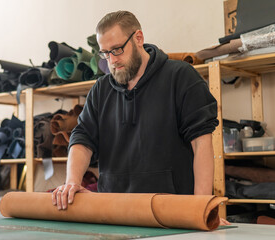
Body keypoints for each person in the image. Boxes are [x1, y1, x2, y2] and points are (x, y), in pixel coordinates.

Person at [52, 10, 223, 221]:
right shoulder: (100, 90)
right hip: (112, 211)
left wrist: (201, 207)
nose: (112, 60)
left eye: (117, 49)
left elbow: (202, 144)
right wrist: (72, 182)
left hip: (170, 213)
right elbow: (82, 139)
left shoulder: (181, 77)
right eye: (105, 53)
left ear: (139, 38)